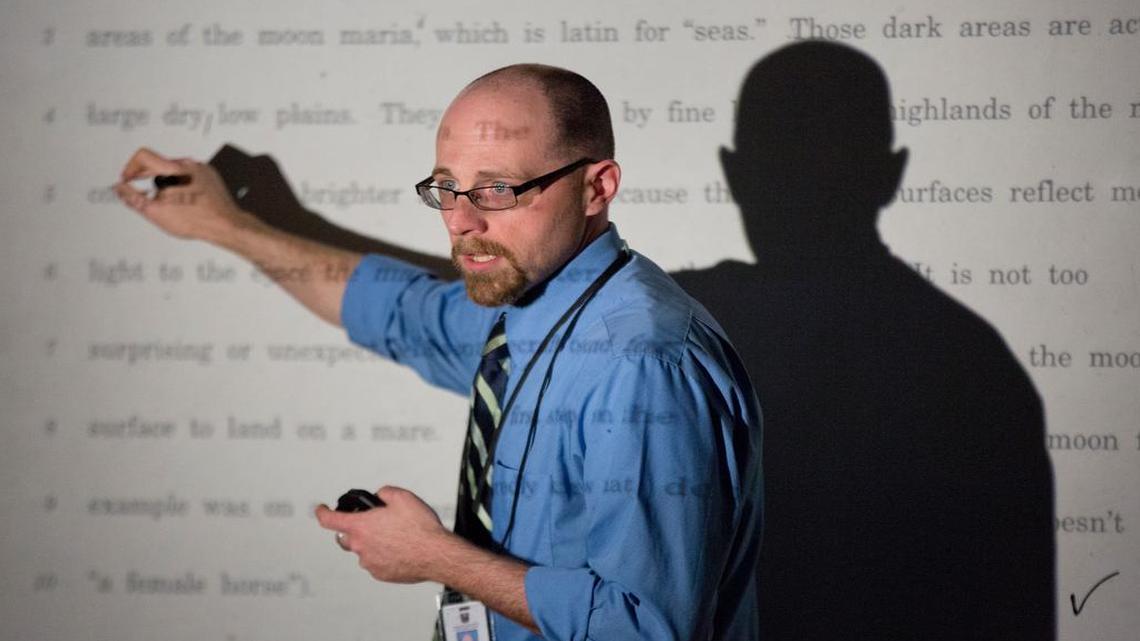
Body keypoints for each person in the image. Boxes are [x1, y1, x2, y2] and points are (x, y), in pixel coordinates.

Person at [115, 63, 763, 641]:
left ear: (596, 188)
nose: (460, 221)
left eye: (497, 190)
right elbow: (401, 313)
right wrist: (225, 225)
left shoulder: (639, 361)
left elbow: (646, 627)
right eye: (447, 187)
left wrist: (436, 556)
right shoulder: (529, 307)